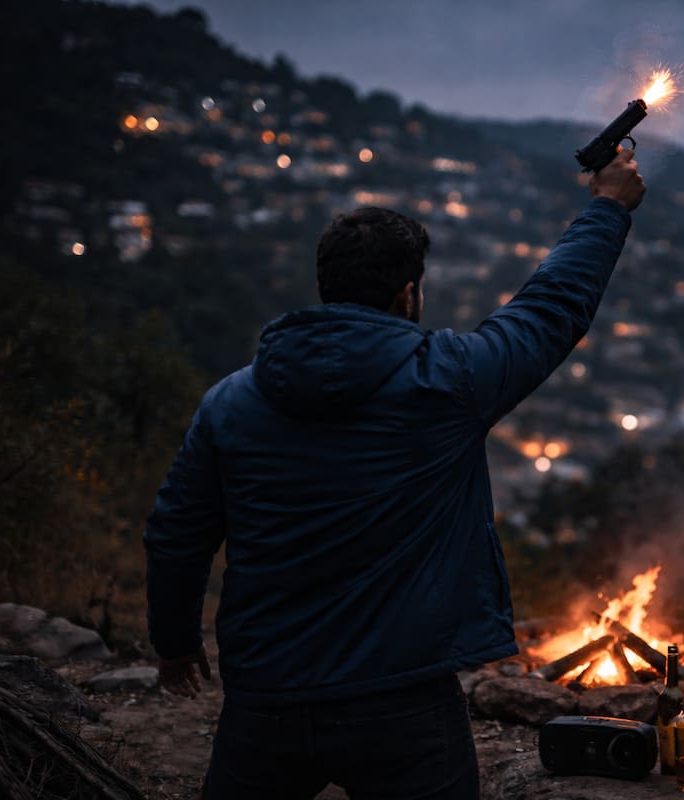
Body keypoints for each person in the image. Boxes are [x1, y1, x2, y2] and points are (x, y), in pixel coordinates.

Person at [144, 149, 646, 799]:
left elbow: (176, 535)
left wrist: (175, 645)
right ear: (408, 294)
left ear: (327, 285)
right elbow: (550, 307)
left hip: (266, 696)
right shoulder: (450, 379)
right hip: (404, 702)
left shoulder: (229, 402)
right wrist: (607, 208)